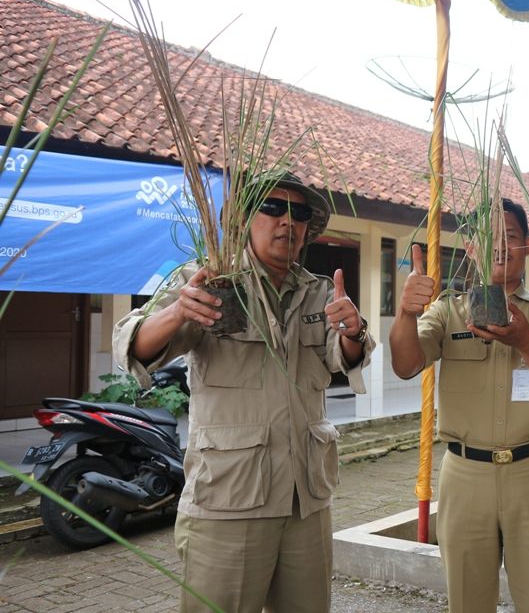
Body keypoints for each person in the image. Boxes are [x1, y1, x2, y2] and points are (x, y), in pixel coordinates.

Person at [113, 171, 374, 613]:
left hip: (305, 496)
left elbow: (342, 357)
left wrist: (353, 330)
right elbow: (132, 345)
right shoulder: (209, 281)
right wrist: (178, 312)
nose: (286, 222)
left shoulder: (320, 292)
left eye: (299, 213)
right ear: (244, 219)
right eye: (272, 208)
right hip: (229, 499)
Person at [389, 197, 529, 613]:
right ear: (472, 248)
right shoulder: (448, 310)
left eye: (511, 237)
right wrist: (406, 314)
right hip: (466, 475)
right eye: (489, 239)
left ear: (528, 244)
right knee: (467, 599)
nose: (500, 246)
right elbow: (406, 364)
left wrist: (526, 341)